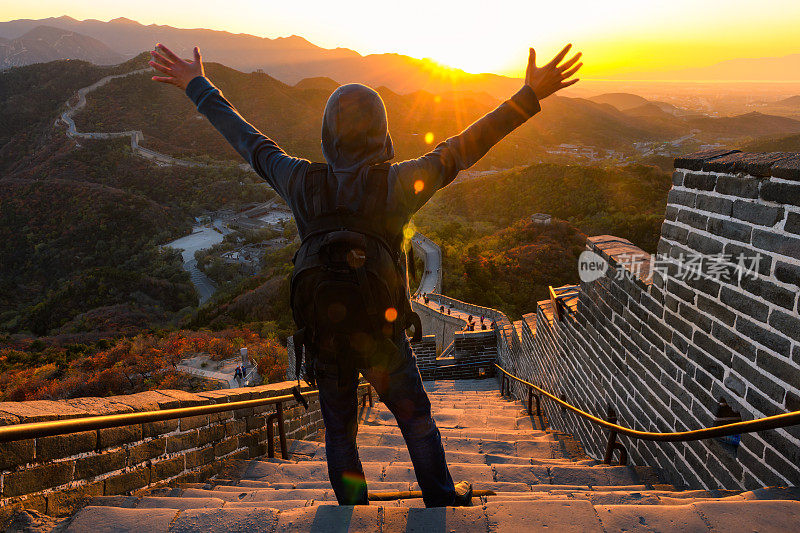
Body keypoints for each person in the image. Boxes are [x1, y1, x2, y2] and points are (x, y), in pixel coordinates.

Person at [149, 42, 581, 507]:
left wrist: (197, 83)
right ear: (382, 133)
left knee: (340, 432)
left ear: (326, 134)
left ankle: (353, 508)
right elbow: (461, 149)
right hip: (383, 336)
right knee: (417, 421)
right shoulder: (395, 184)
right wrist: (528, 96)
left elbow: (248, 141)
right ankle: (440, 498)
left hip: (327, 339)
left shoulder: (301, 181)